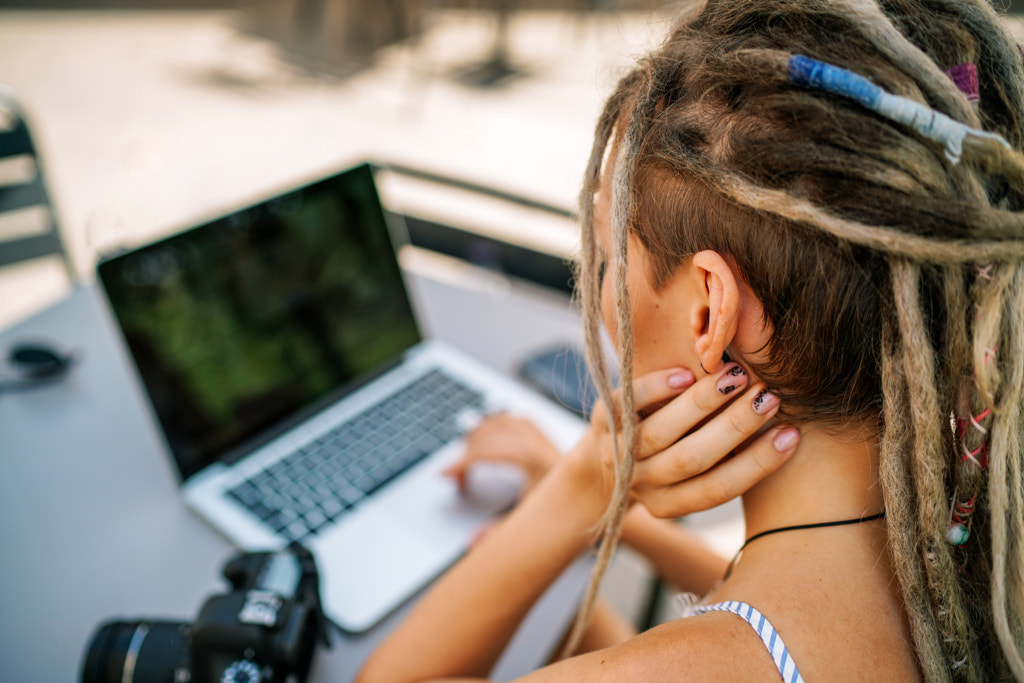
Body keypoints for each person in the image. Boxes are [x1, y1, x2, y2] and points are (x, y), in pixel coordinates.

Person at [356, 0, 1024, 680]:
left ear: (710, 311)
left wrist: (575, 494)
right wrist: (624, 516)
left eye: (614, 249)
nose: (601, 277)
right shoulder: (977, 554)